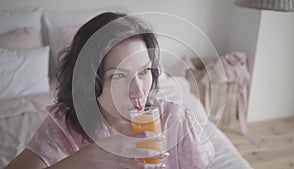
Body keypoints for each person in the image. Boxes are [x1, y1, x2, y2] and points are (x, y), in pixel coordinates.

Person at [5, 12, 215, 169]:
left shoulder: (174, 121)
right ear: (91, 83)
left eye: (144, 72)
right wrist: (90, 158)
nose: (139, 91)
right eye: (119, 76)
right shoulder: (65, 126)